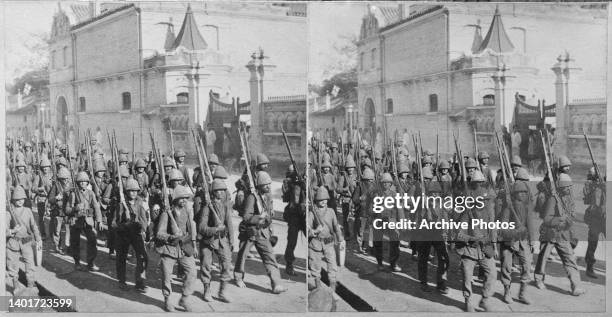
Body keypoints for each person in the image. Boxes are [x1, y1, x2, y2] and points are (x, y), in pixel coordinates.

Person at [234, 171, 287, 294]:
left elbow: (268, 214)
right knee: (242, 256)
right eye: (265, 184)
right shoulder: (252, 197)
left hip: (263, 232)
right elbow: (246, 217)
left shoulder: (268, 196)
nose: (268, 186)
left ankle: (276, 283)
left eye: (269, 184)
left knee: (270, 257)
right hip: (250, 232)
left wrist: (269, 224)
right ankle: (238, 277)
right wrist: (259, 217)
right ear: (259, 185)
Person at [533, 173, 585, 296]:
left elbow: (572, 216)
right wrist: (559, 220)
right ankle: (539, 279)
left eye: (570, 187)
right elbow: (546, 219)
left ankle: (576, 286)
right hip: (550, 234)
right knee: (543, 258)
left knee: (570, 259)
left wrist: (568, 220)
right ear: (561, 187)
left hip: (563, 235)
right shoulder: (552, 199)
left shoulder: (569, 199)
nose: (569, 189)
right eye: (567, 187)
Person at [455, 171, 496, 312]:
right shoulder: (467, 213)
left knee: (492, 273)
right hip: (469, 250)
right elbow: (459, 234)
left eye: (484, 200)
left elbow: (492, 230)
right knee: (467, 276)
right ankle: (468, 300)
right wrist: (472, 238)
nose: (482, 202)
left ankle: (485, 300)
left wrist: (494, 245)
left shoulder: (488, 213)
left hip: (484, 248)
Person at [156, 185, 198, 312]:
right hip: (169, 249)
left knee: (192, 272)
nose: (184, 200)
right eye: (181, 198)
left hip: (184, 247)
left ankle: (184, 299)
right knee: (167, 276)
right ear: (175, 199)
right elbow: (159, 233)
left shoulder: (186, 211)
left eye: (186, 198)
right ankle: (167, 300)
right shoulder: (166, 213)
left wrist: (194, 245)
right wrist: (171, 236)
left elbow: (191, 230)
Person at [198, 179, 234, 303]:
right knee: (206, 265)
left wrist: (231, 240)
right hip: (208, 241)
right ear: (213, 192)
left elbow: (229, 224)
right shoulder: (207, 207)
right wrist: (215, 229)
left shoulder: (225, 205)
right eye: (218, 190)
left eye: (223, 190)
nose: (221, 193)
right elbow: (202, 228)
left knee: (227, 263)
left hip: (222, 240)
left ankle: (222, 292)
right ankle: (206, 289)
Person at [499, 181, 534, 304]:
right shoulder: (508, 208)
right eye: (520, 192)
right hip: (509, 241)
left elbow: (530, 224)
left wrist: (532, 241)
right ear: (515, 194)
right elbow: (502, 228)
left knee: (527, 265)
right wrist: (515, 231)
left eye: (525, 192)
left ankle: (522, 293)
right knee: (506, 267)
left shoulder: (527, 207)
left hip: (523, 241)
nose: (523, 195)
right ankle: (506, 291)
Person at [113, 178, 149, 292]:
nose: (133, 193)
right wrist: (124, 225)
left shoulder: (140, 202)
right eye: (130, 191)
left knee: (143, 257)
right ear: (126, 192)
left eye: (135, 190)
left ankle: (139, 282)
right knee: (121, 258)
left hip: (136, 233)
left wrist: (143, 230)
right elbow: (114, 223)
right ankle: (122, 281)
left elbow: (144, 219)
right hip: (123, 234)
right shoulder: (121, 204)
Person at [6, 186, 42, 293]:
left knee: (30, 263)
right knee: (13, 265)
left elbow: (33, 226)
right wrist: (12, 231)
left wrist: (38, 238)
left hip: (26, 241)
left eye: (22, 199)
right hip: (13, 242)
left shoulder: (28, 211)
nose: (20, 201)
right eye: (17, 199)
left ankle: (31, 282)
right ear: (13, 200)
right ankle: (15, 283)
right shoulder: (8, 212)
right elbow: (4, 230)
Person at [308, 187, 344, 291]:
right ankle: (317, 286)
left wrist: (340, 238)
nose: (323, 202)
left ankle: (332, 286)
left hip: (328, 242)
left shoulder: (331, 211)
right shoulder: (312, 212)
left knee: (332, 264)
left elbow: (336, 226)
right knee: (315, 266)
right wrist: (315, 231)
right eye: (320, 200)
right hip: (315, 243)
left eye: (325, 199)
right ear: (316, 200)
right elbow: (308, 228)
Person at [67, 171, 103, 271]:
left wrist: (99, 220)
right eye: (80, 182)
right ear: (78, 183)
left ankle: (91, 263)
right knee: (75, 242)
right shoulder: (73, 194)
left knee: (92, 240)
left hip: (88, 220)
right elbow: (67, 209)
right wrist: (75, 208)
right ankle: (77, 262)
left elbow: (96, 207)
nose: (83, 183)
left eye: (84, 181)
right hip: (76, 220)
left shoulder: (91, 193)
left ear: (88, 183)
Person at [368, 173, 403, 272]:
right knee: (378, 241)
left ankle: (393, 263)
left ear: (391, 184)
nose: (385, 184)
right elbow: (371, 209)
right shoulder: (376, 195)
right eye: (383, 182)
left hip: (391, 220)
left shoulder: (394, 195)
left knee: (395, 242)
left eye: (388, 183)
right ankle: (379, 263)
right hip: (379, 220)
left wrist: (401, 222)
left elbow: (399, 209)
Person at [282, 164, 306, 276]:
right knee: (292, 241)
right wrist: (294, 184)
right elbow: (286, 197)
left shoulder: (306, 184)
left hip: (305, 215)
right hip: (294, 216)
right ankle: (289, 264)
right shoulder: (290, 183)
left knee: (312, 239)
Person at [583, 167, 605, 279]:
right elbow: (589, 201)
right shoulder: (593, 185)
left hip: (606, 218)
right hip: (595, 218)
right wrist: (597, 185)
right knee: (592, 243)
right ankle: (589, 267)